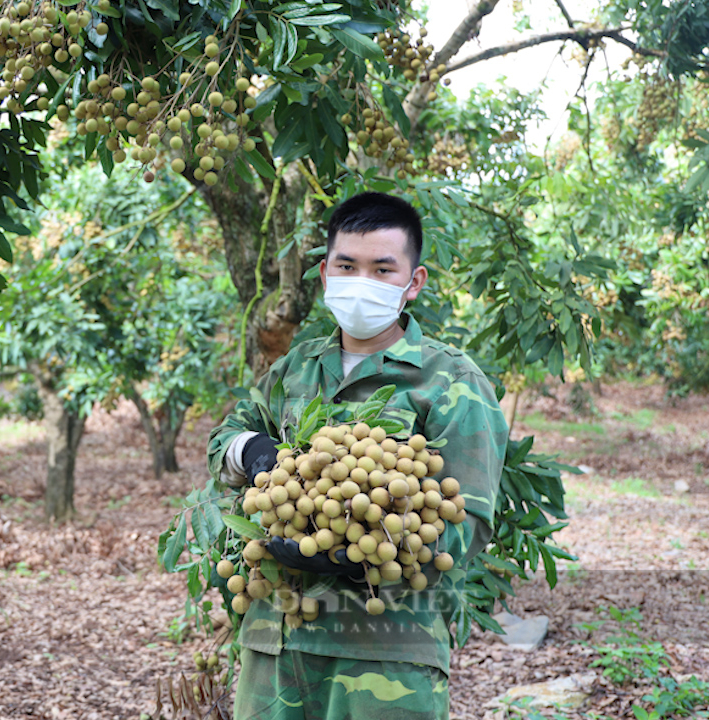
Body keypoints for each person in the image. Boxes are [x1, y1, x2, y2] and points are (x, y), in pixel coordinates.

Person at [208, 191, 508, 719]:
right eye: (348, 266)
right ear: (325, 274)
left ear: (413, 283)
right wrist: (251, 450)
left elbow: (470, 522)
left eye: (382, 269)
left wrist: (368, 553)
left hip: (383, 655)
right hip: (275, 645)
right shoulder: (295, 367)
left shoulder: (451, 382)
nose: (362, 281)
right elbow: (224, 439)